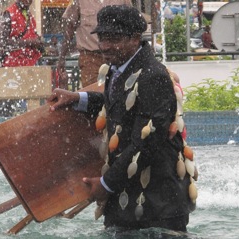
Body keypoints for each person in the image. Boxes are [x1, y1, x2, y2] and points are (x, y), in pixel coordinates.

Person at [48, 5, 196, 232]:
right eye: (102, 38)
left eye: (114, 38)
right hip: (127, 201)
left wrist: (106, 184)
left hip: (157, 207)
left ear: (135, 38)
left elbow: (147, 143)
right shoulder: (117, 68)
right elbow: (119, 104)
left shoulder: (153, 76)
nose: (105, 46)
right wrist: (78, 99)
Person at [57, 0, 132, 89]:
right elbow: (70, 28)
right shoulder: (79, 1)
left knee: (119, 92)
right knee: (92, 93)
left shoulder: (123, 1)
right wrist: (62, 57)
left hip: (118, 56)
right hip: (90, 57)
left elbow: (132, 25)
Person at [0, 0, 45, 67]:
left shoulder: (30, 17)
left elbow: (30, 35)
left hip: (29, 66)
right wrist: (29, 42)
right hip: (12, 67)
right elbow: (1, 42)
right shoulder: (9, 14)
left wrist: (38, 41)